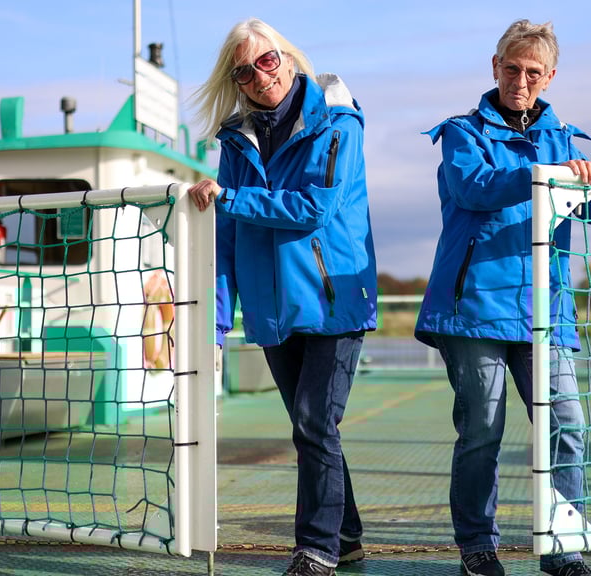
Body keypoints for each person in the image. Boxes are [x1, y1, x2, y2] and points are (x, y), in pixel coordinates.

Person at [414, 19, 591, 576]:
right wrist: (545, 174)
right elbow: (473, 187)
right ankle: (478, 546)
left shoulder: (564, 140)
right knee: (482, 428)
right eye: (512, 68)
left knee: (567, 426)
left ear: (550, 76)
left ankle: (564, 546)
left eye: (533, 72)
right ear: (495, 66)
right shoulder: (461, 132)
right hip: (473, 308)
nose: (521, 81)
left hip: (544, 312)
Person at [187, 18, 377, 576]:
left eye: (266, 61)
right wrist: (216, 322)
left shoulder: (339, 125)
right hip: (272, 312)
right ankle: (347, 537)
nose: (258, 76)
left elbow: (315, 206)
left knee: (316, 422)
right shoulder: (236, 142)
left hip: (332, 301)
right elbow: (224, 240)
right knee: (312, 426)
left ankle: (315, 549)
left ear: (289, 59)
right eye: (243, 70)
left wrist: (233, 199)